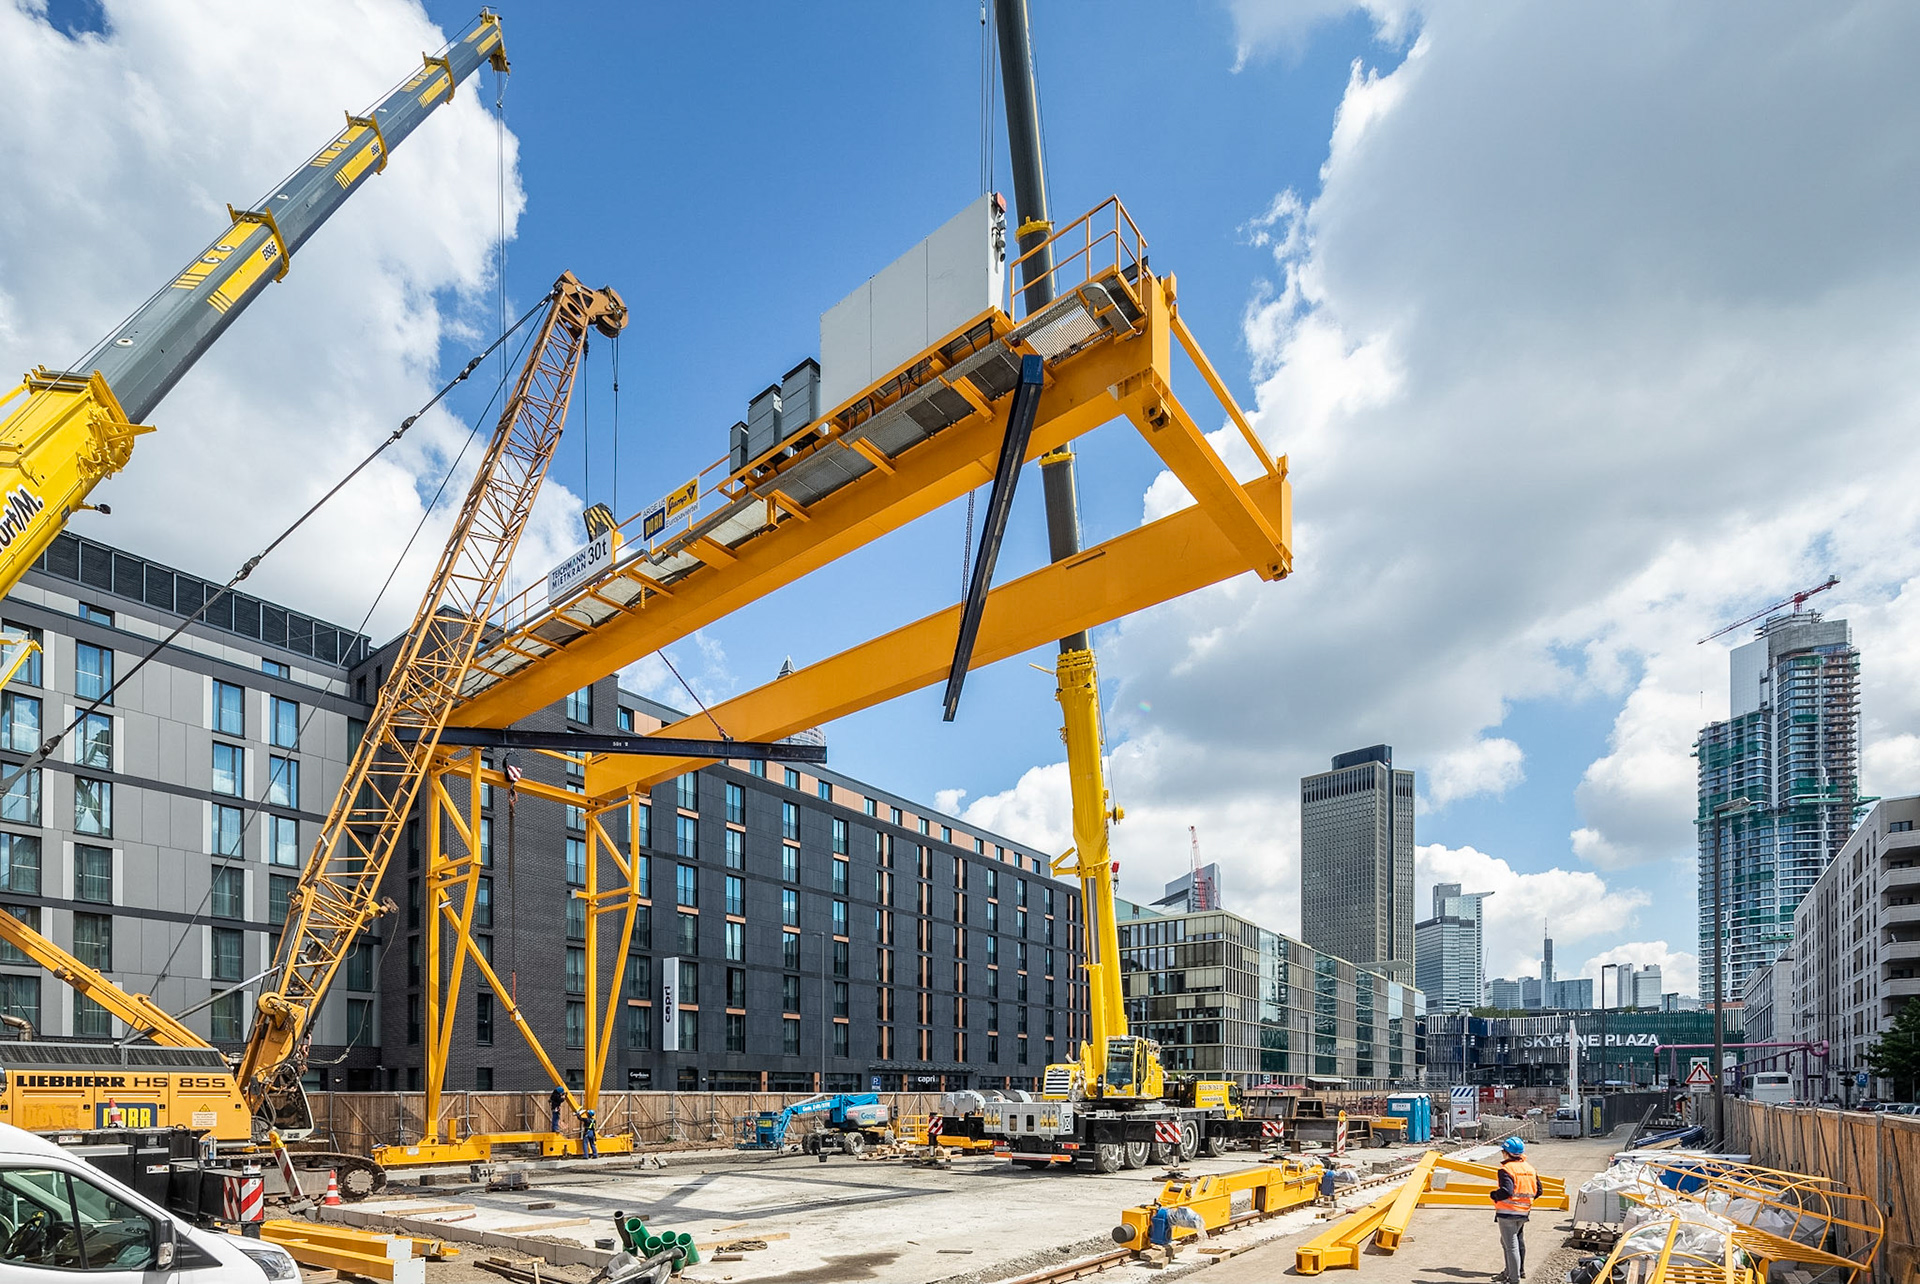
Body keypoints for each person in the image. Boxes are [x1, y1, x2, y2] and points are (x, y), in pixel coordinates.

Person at [1490, 1135, 1540, 1283]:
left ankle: (1513, 1278)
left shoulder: (1506, 1169)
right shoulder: (1529, 1168)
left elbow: (1506, 1190)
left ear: (1506, 1152)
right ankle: (1509, 1273)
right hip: (1523, 1213)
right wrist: (1525, 1201)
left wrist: (1494, 1195)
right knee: (1507, 1242)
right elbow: (1539, 1190)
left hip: (1507, 1213)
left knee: (1511, 1246)